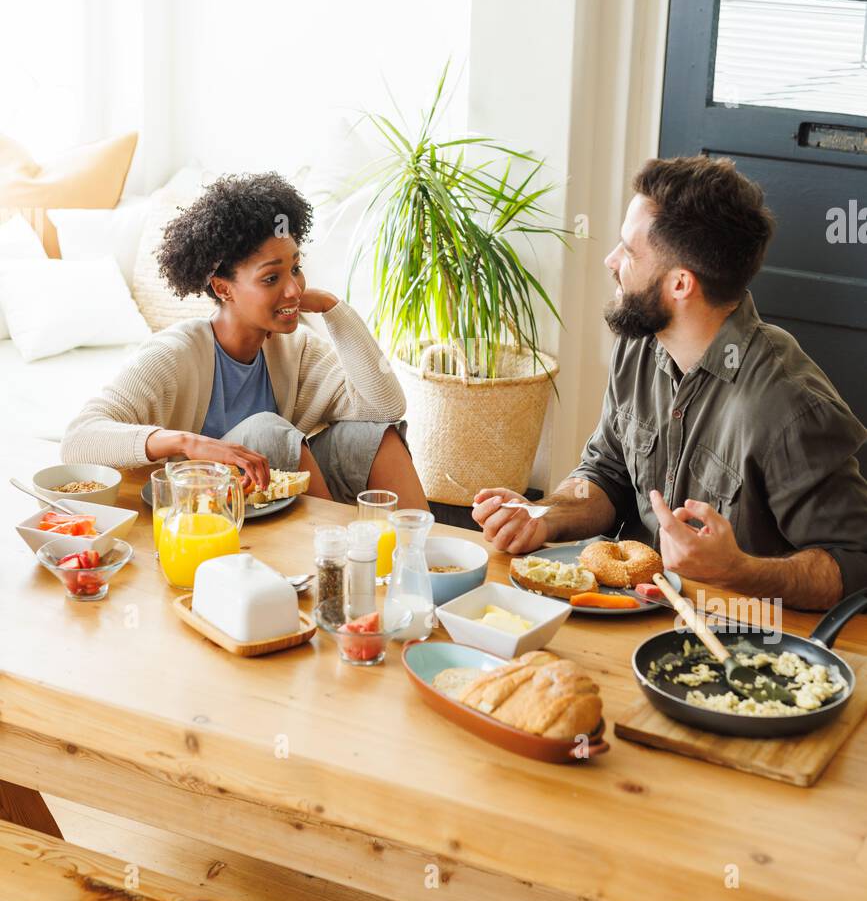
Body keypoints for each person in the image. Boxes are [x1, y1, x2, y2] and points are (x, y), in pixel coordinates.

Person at [473, 155, 867, 612]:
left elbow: (856, 562)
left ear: (681, 284)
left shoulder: (789, 404)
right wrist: (543, 518)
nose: (611, 260)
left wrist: (737, 569)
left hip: (740, 642)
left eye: (628, 250)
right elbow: (607, 473)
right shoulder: (640, 342)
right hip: (631, 615)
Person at [61, 172, 427, 509]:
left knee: (371, 437)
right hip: (200, 509)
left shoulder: (296, 348)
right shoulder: (173, 354)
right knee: (265, 428)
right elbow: (78, 440)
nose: (293, 289)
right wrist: (187, 443)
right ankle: (338, 554)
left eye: (295, 269)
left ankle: (425, 561)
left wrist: (334, 309)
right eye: (271, 278)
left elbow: (384, 409)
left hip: (267, 497)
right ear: (223, 288)